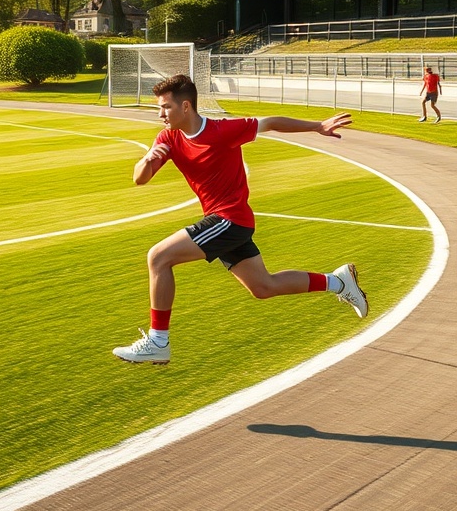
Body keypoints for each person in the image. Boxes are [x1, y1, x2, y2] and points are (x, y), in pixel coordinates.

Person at [113, 74, 369, 365]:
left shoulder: (223, 131)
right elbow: (139, 179)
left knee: (159, 257)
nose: (160, 114)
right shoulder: (167, 137)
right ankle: (338, 282)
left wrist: (317, 126)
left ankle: (158, 341)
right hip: (225, 222)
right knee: (263, 287)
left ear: (185, 106)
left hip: (230, 219)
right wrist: (146, 159)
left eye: (165, 108)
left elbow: (270, 122)